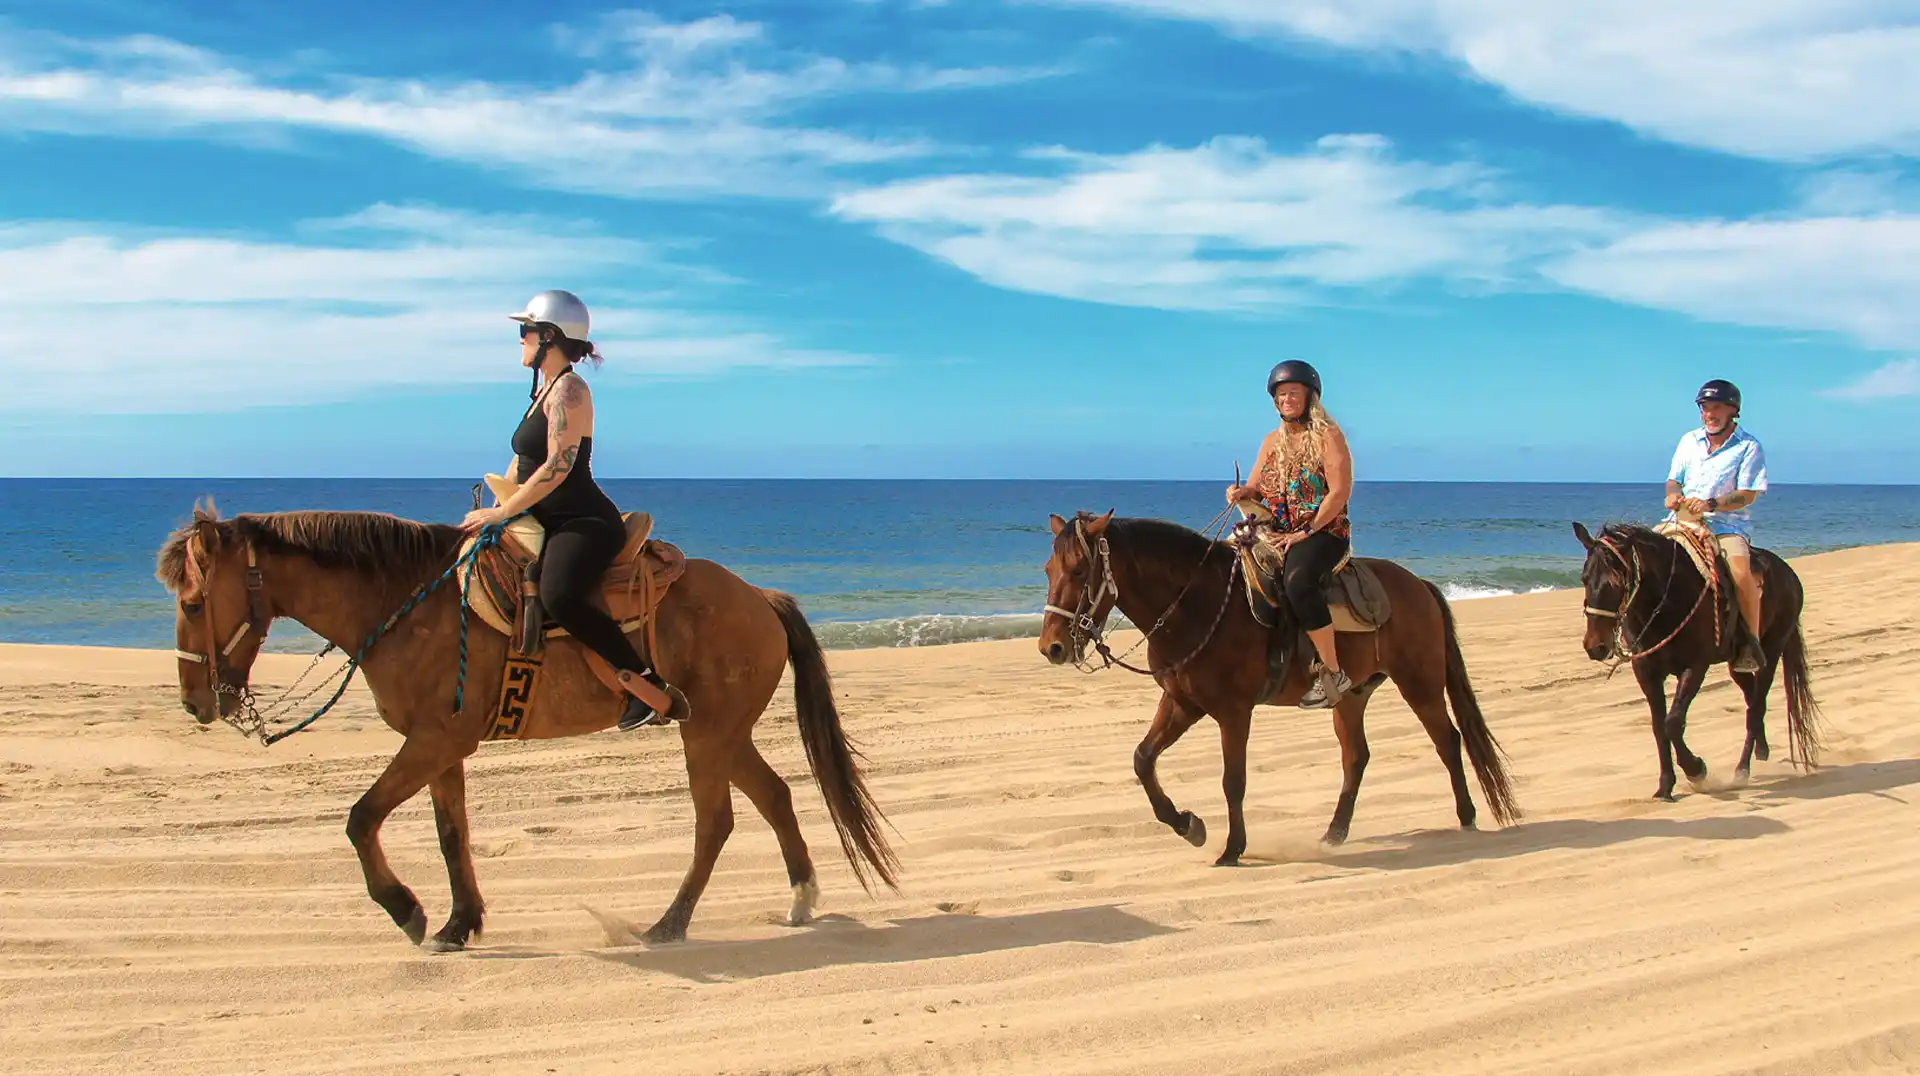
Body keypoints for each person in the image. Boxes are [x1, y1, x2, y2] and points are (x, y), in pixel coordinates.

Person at [460, 289, 686, 730]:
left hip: (582, 522)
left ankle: (645, 686)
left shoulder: (570, 392)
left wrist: (501, 515)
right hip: (545, 517)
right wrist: (496, 507)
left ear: (550, 336)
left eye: (525, 331)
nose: (520, 339)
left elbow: (556, 469)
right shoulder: (543, 392)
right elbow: (524, 464)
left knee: (558, 595)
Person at [1225, 359, 1356, 707]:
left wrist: (1307, 531)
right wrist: (1241, 494)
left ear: (1310, 397)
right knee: (1228, 565)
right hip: (1278, 532)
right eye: (1281, 394)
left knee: (1298, 580)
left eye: (1293, 393)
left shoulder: (1329, 436)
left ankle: (1332, 670)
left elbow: (1340, 492)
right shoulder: (1272, 441)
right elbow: (1254, 486)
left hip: (1324, 532)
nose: (1286, 400)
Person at [1664, 378, 1768, 674]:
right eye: (1705, 408)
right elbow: (1675, 478)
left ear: (1733, 410)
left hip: (1725, 526)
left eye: (1717, 408)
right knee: (1638, 558)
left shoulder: (1748, 447)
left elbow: (1747, 494)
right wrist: (1673, 494)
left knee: (1740, 575)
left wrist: (1711, 504)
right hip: (1681, 520)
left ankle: (1751, 644)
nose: (1709, 414)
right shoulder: (1688, 441)